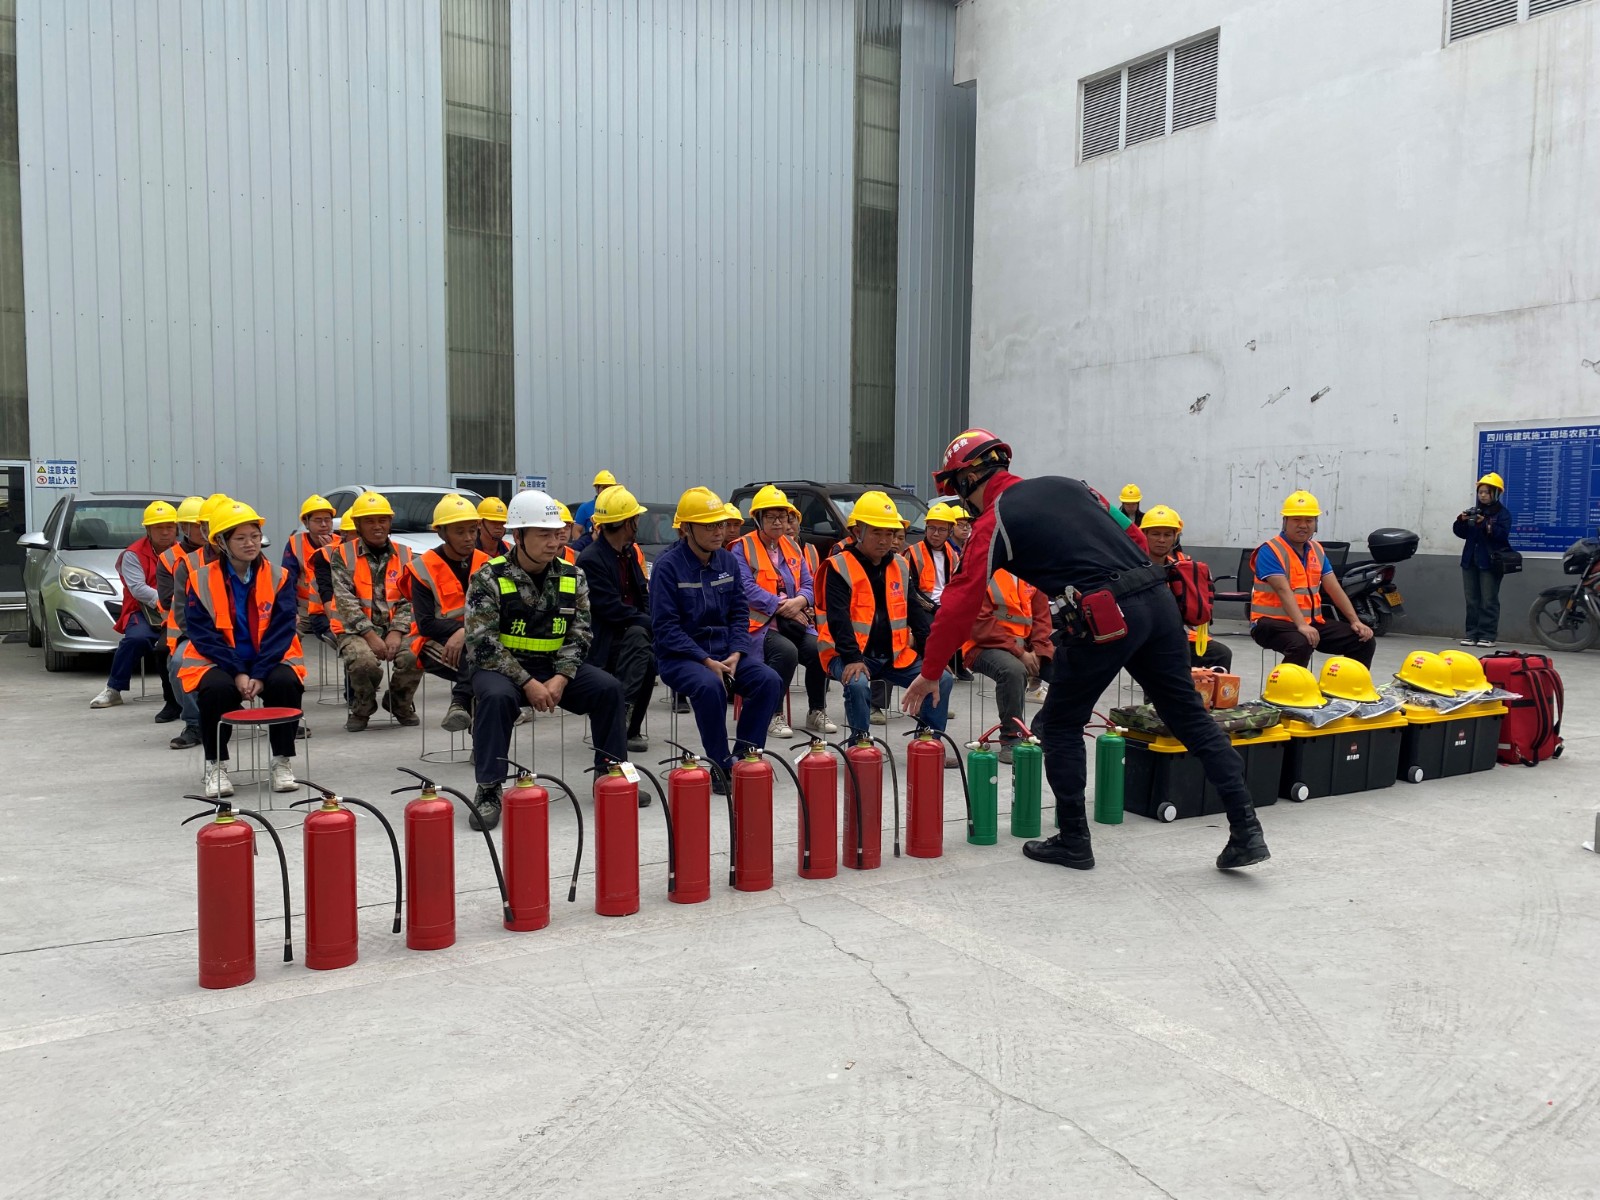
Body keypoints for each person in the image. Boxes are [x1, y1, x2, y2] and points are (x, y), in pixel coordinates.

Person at [902, 428, 1271, 871]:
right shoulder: (1074, 486)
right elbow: (1135, 537)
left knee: (1058, 725)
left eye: (959, 491)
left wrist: (931, 671)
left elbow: (961, 600)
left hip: (1105, 616)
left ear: (966, 480)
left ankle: (1074, 840)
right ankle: (1246, 830)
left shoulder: (994, 520)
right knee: (1188, 716)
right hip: (1157, 602)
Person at [464, 490, 629, 829]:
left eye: (557, 533)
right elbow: (482, 643)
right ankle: (489, 789)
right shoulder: (489, 577)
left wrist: (561, 678)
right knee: (495, 698)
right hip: (503, 670)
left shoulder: (573, 575)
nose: (554, 542)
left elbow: (581, 633)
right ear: (518, 536)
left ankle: (611, 775)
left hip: (555, 669)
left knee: (608, 689)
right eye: (543, 535)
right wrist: (528, 682)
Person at [651, 487, 784, 794]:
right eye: (709, 525)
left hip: (726, 654)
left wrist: (737, 652)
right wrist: (705, 660)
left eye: (721, 524)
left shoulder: (727, 561)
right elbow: (666, 628)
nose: (718, 531)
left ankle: (746, 757)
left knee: (769, 681)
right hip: (681, 658)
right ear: (686, 528)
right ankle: (721, 764)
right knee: (710, 686)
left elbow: (739, 613)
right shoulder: (667, 567)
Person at [176, 501, 306, 798]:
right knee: (216, 690)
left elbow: (282, 629)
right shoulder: (200, 578)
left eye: (255, 536)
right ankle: (216, 765)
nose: (250, 543)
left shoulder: (279, 576)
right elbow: (202, 633)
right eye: (241, 538)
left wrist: (258, 673)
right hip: (218, 659)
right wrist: (237, 672)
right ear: (222, 542)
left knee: (285, 683)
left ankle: (281, 760)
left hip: (269, 657)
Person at [818, 491, 953, 747]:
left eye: (889, 533)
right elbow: (838, 619)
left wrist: (932, 658)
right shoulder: (838, 567)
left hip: (894, 655)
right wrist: (853, 658)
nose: (884, 540)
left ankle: (928, 745)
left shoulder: (900, 565)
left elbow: (916, 615)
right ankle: (860, 747)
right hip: (846, 654)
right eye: (876, 532)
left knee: (943, 678)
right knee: (857, 684)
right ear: (858, 531)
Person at [734, 485, 837, 739]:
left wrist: (799, 601)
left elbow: (809, 583)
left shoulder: (792, 546)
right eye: (771, 517)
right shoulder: (741, 547)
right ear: (758, 519)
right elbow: (745, 588)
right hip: (759, 626)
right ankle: (773, 713)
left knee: (820, 647)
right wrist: (783, 607)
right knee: (786, 652)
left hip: (793, 620)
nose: (778, 522)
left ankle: (816, 710)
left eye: (783, 516)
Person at [1249, 490, 1374, 670]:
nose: (1303, 525)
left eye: (1309, 520)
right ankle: (1288, 686)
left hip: (1310, 622)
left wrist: (1355, 621)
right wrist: (1301, 625)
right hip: (1269, 623)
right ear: (1285, 522)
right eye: (1296, 520)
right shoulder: (1270, 550)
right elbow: (1283, 590)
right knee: (1301, 643)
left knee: (1363, 640)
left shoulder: (1317, 550)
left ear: (1316, 524)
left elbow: (1334, 588)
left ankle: (1348, 686)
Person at [330, 490, 422, 731]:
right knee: (363, 663)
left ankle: (399, 703)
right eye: (369, 521)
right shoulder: (342, 554)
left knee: (415, 655)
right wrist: (370, 635)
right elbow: (345, 600)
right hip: (356, 630)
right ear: (358, 525)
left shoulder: (406, 554)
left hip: (396, 628)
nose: (377, 526)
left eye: (382, 520)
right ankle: (362, 707)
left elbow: (410, 597)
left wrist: (397, 631)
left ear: (390, 522)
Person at [576, 484, 657, 753]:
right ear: (626, 523)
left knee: (646, 654)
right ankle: (620, 713)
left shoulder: (629, 552)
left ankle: (629, 725)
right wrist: (649, 623)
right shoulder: (591, 559)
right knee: (640, 640)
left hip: (632, 632)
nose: (638, 524)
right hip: (604, 638)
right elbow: (609, 609)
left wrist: (650, 620)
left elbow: (642, 592)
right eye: (635, 519)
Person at [90, 501, 183, 720]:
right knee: (136, 639)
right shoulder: (132, 554)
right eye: (158, 527)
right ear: (148, 530)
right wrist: (168, 603)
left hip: (180, 611)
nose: (165, 532)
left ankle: (186, 694)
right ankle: (114, 689)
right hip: (144, 611)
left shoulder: (185, 551)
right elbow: (138, 589)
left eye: (169, 527)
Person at [408, 494, 488, 733]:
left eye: (472, 530)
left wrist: (466, 633)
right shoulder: (423, 567)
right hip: (433, 643)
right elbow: (426, 623)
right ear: (442, 533)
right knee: (484, 663)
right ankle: (465, 709)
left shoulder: (487, 563)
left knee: (483, 660)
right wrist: (464, 631)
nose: (469, 538)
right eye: (460, 532)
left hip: (475, 641)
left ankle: (462, 707)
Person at [961, 569, 1053, 763]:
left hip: (1026, 648)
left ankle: (1042, 731)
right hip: (983, 645)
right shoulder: (985, 571)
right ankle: (1012, 738)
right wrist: (1021, 653)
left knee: (1068, 670)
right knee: (1013, 671)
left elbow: (1042, 619)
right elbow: (980, 624)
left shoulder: (1034, 570)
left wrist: (1038, 651)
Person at [1140, 505, 1232, 672]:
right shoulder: (1133, 568)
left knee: (1221, 653)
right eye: (1155, 534)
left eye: (1167, 535)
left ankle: (1204, 687)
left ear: (1175, 538)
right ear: (1144, 535)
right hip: (1141, 638)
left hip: (1174, 635)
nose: (1161, 540)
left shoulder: (1181, 570)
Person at [156, 496, 208, 748]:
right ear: (184, 527)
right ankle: (194, 722)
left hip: (232, 627)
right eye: (198, 525)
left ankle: (285, 719)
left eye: (207, 524)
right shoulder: (170, 558)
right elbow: (168, 599)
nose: (204, 530)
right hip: (186, 629)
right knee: (175, 662)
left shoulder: (229, 551)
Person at [1453, 471, 1514, 648]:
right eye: (1480, 492)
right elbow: (1460, 533)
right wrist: (1461, 520)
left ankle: (1488, 635)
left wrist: (1485, 523)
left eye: (1487, 492)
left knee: (1488, 600)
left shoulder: (1502, 514)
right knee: (1471, 600)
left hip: (1490, 562)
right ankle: (1471, 634)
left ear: (1496, 493)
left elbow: (1501, 535)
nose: (1483, 495)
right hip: (1470, 561)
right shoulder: (1475, 511)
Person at [283, 494, 337, 641]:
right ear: (306, 523)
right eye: (318, 520)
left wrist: (330, 552)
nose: (324, 524)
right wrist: (292, 611)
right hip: (304, 610)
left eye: (327, 520)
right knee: (287, 634)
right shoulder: (296, 543)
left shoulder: (341, 544)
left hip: (334, 607)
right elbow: (287, 580)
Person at [572, 469, 618, 541]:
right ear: (596, 488)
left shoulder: (619, 507)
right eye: (604, 487)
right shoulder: (585, 508)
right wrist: (583, 546)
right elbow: (575, 531)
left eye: (610, 487)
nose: (607, 490)